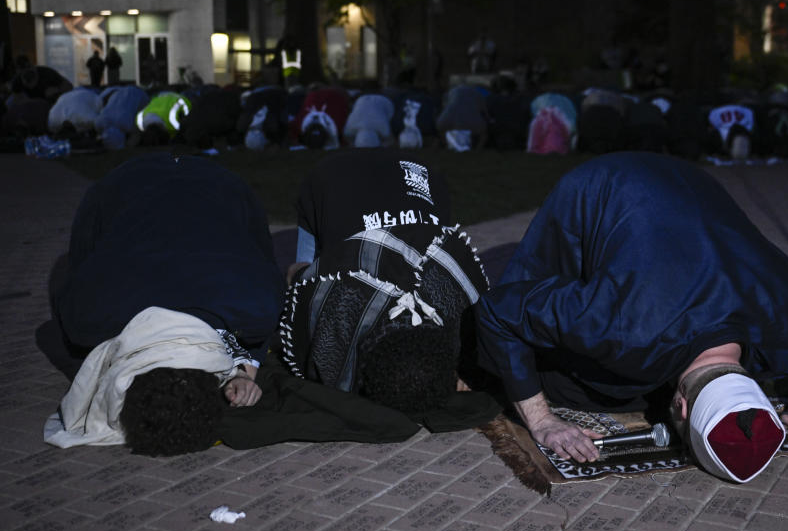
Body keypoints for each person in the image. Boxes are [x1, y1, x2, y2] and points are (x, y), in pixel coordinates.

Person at [474, 153, 788, 483]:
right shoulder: (622, 329)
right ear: (681, 406)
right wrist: (542, 421)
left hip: (691, 178)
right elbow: (500, 310)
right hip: (606, 183)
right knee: (546, 368)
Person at [41, 154, 286, 455]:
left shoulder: (257, 306)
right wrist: (243, 372)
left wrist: (242, 371)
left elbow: (81, 263)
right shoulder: (86, 320)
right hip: (196, 187)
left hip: (154, 186)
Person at [279, 149, 490, 417]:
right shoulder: (333, 295)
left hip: (392, 174)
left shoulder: (462, 300)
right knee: (304, 280)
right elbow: (295, 274)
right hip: (339, 177)